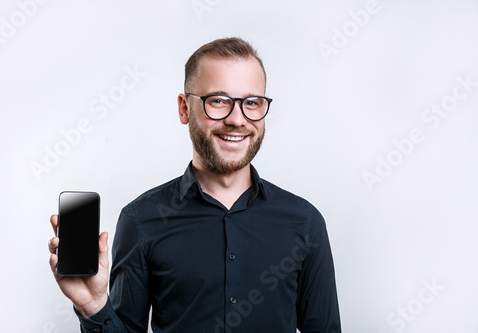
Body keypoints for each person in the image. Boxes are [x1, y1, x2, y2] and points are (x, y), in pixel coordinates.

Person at [48, 37, 341, 332]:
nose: (237, 119)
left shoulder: (305, 222)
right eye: (218, 101)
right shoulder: (141, 220)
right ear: (184, 108)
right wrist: (94, 307)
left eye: (251, 103)